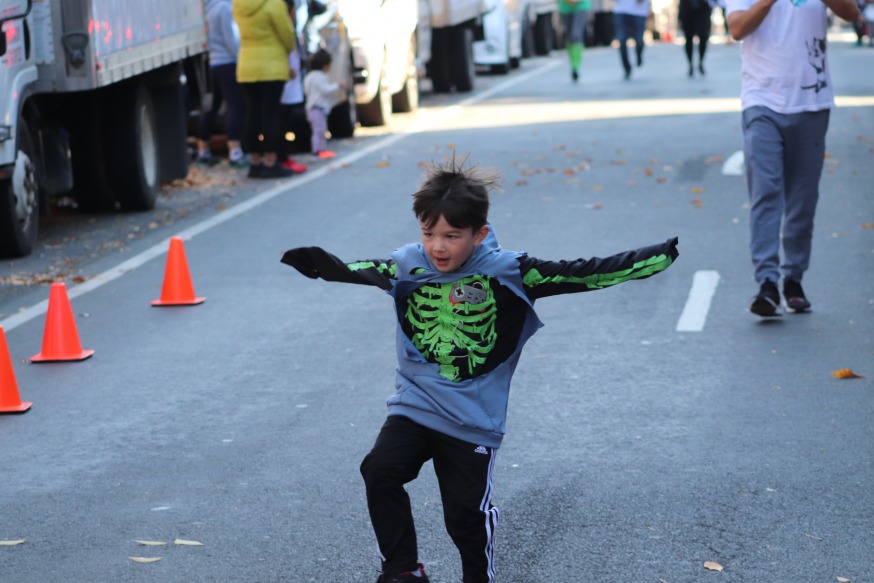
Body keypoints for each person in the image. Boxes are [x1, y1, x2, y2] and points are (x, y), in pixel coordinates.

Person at [280, 158, 679, 583]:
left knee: (465, 517)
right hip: (415, 403)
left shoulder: (511, 272)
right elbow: (364, 271)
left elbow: (582, 274)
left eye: (452, 236)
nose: (438, 247)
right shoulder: (406, 265)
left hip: (471, 419)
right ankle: (402, 570)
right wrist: (328, 267)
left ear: (479, 234)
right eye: (429, 233)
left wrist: (647, 260)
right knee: (379, 469)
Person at [726, 0, 860, 317]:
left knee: (803, 199)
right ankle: (767, 283)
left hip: (812, 102)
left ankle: (794, 279)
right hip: (762, 102)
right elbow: (737, 28)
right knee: (766, 191)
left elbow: (852, 13)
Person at [233, 0, 297, 179]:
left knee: (252, 114)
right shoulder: (274, 4)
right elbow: (287, 34)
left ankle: (254, 161)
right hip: (271, 66)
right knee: (271, 115)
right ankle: (270, 160)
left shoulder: (239, 4)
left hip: (246, 65)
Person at [196, 0, 247, 168]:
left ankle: (203, 149)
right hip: (228, 62)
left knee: (212, 107)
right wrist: (241, 58)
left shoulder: (207, 10)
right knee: (235, 106)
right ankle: (235, 151)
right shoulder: (224, 8)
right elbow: (230, 39)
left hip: (213, 62)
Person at [279, 1, 310, 173]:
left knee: (284, 116)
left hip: (284, 72)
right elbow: (287, 42)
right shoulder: (279, 16)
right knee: (281, 118)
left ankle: (282, 157)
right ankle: (279, 157)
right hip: (282, 73)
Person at [303, 49, 347, 160]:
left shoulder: (308, 76)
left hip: (312, 107)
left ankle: (322, 150)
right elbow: (326, 90)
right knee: (319, 131)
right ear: (325, 65)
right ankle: (317, 151)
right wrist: (338, 85)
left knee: (320, 130)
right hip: (317, 108)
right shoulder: (319, 77)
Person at [613, 0, 650, 79]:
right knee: (621, 40)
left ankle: (638, 54)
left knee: (639, 40)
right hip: (621, 10)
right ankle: (627, 68)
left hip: (639, 11)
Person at [559, 0, 592, 82]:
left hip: (581, 5)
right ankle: (572, 63)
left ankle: (575, 66)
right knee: (569, 37)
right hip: (565, 6)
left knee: (576, 34)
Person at [679, 0, 713, 76]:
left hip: (702, 8)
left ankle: (701, 62)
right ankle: (690, 64)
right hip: (687, 8)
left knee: (703, 36)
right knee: (688, 38)